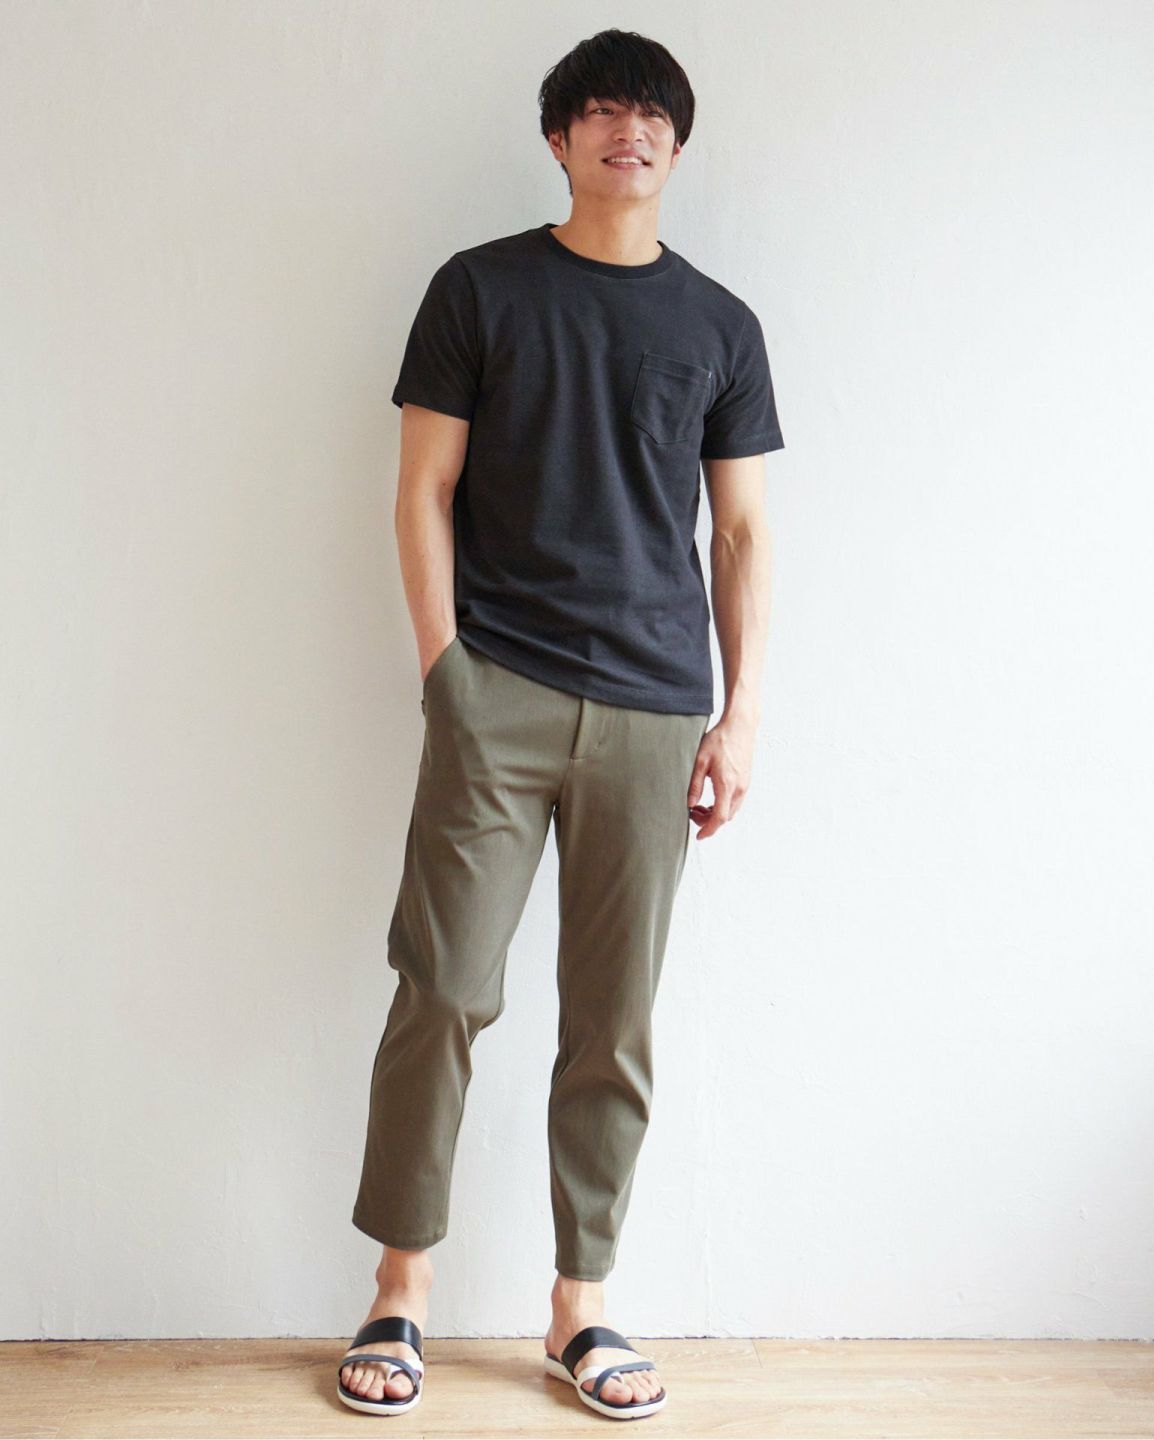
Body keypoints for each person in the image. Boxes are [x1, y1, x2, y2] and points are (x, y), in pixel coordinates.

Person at [337, 27, 784, 1421]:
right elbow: (421, 490)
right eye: (599, 110)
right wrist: (447, 674)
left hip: (656, 710)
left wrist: (740, 715)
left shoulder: (720, 326)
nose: (625, 129)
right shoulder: (479, 289)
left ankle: (580, 1307)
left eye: (650, 112)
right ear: (558, 138)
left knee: (612, 1021)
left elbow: (741, 531)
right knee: (443, 987)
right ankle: (399, 1291)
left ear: (677, 143)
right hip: (499, 691)